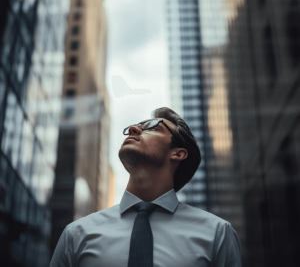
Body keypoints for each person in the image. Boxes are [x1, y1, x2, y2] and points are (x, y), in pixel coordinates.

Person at [50, 107, 242, 267]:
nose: (134, 128)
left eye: (151, 127)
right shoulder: (76, 235)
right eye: (134, 126)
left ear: (178, 153)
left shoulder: (216, 234)